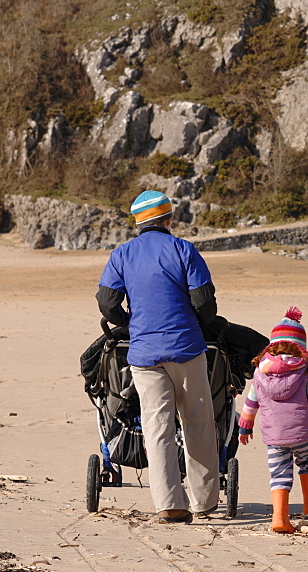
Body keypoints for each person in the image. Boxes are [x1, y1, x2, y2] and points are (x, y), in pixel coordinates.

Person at [97, 190, 223, 524]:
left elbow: (107, 304)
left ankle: (169, 504)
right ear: (168, 219)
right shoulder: (184, 249)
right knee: (197, 422)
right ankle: (204, 502)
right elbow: (205, 304)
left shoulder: (121, 255)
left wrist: (131, 323)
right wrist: (199, 322)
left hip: (143, 353)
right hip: (186, 348)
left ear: (138, 221)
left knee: (157, 427)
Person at [237, 308, 308, 534]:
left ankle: (280, 518)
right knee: (307, 461)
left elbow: (250, 403)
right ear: (300, 346)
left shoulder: (259, 373)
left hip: (274, 436)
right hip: (302, 434)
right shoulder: (305, 370)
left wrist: (244, 427)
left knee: (279, 473)